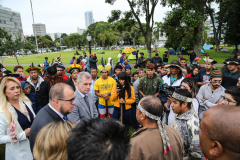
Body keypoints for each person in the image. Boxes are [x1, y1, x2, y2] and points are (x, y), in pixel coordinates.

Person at [127, 95, 184, 160]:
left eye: (137, 110)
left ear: (142, 116)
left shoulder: (136, 144)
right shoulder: (175, 133)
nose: (136, 112)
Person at [29, 83, 76, 151]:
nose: (74, 102)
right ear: (57, 102)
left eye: (74, 99)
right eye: (71, 100)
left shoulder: (52, 112)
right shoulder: (48, 126)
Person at [0, 77, 35, 160]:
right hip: (18, 153)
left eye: (18, 87)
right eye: (12, 89)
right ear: (4, 92)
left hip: (35, 147)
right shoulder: (2, 112)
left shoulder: (25, 102)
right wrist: (23, 135)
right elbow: (0, 138)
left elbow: (32, 118)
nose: (16, 90)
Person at [171, 89, 204, 160]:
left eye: (175, 103)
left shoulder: (191, 124)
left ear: (184, 104)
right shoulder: (179, 114)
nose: (172, 105)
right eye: (172, 102)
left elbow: (196, 154)